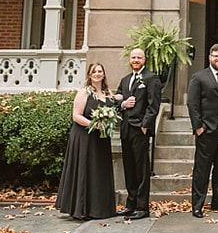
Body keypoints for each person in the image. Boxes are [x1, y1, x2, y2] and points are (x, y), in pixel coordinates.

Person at [56, 62, 118, 220]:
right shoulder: (84, 92)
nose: (97, 74)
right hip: (85, 136)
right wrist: (93, 124)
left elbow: (115, 105)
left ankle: (101, 209)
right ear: (90, 75)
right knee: (86, 169)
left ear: (104, 74)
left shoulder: (107, 92)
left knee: (99, 171)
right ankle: (83, 208)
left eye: (100, 71)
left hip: (101, 138)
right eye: (94, 71)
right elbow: (76, 116)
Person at [187, 43, 218, 218]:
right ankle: (197, 204)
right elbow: (192, 104)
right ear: (209, 57)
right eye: (215, 56)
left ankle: (217, 200)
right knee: (202, 169)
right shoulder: (199, 77)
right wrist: (198, 127)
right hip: (206, 131)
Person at [116, 48, 161, 220]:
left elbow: (153, 105)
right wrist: (123, 105)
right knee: (129, 168)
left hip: (139, 129)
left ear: (144, 59)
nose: (136, 60)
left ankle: (142, 208)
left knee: (141, 170)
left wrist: (145, 125)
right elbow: (117, 102)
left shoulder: (151, 78)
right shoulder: (125, 80)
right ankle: (131, 204)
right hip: (126, 129)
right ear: (130, 59)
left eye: (139, 57)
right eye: (133, 57)